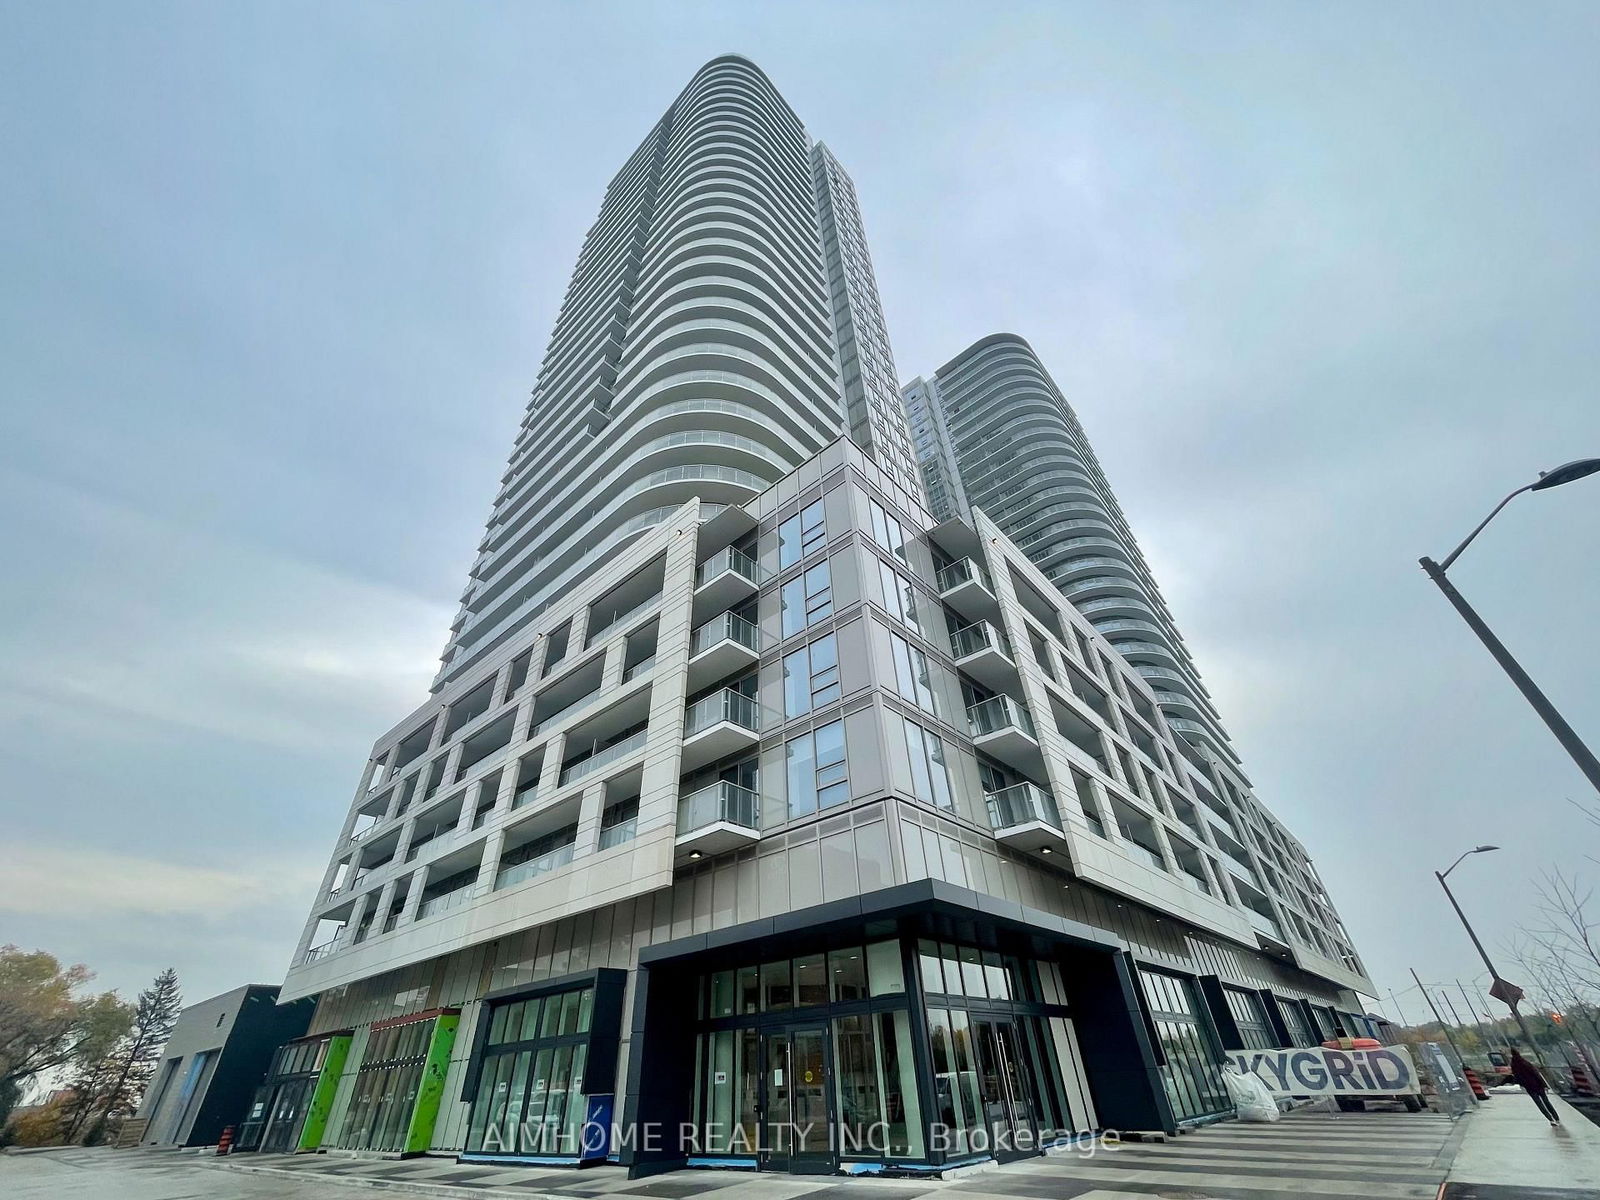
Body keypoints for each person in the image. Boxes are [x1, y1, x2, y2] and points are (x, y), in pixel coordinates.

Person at [1506, 1049, 1560, 1125]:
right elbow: (1536, 1073)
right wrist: (1544, 1085)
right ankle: (1556, 1118)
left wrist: (1521, 1084)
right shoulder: (1526, 1063)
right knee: (1546, 1102)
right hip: (1538, 1085)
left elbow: (1516, 1077)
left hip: (1529, 1087)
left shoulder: (1514, 1066)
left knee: (1539, 1104)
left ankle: (1550, 1119)